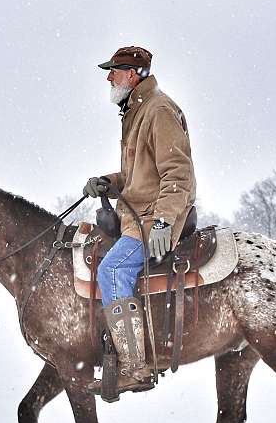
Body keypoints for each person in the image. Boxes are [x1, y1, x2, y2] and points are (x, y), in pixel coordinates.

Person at [84, 45, 197, 395]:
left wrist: (164, 221)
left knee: (113, 270)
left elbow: (178, 174)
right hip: (138, 215)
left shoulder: (158, 110)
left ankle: (136, 367)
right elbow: (140, 177)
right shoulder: (137, 111)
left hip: (151, 220)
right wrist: (110, 182)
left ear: (132, 75)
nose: (108, 77)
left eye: (113, 71)